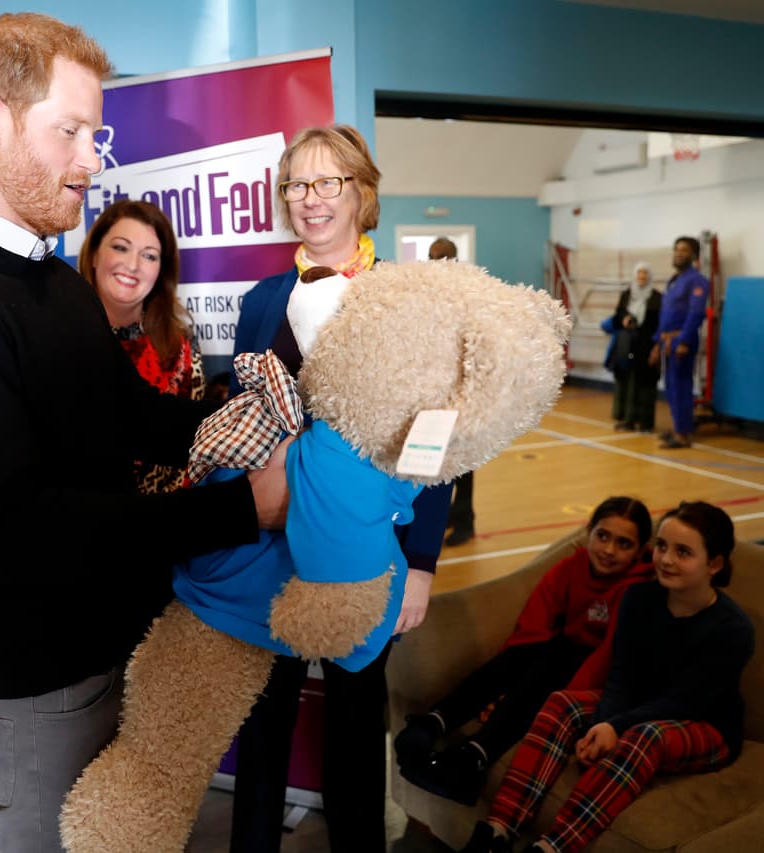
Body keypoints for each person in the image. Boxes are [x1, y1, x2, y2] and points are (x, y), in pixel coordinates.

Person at [0, 14, 288, 853]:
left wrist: (260, 418)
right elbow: (17, 529)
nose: (93, 160)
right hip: (40, 685)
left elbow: (131, 418)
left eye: (93, 135)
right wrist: (243, 509)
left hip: (121, 644)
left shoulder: (55, 282)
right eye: (70, 132)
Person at [227, 124, 452, 853]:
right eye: (297, 184)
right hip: (270, 547)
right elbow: (242, 423)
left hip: (367, 550)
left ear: (363, 193)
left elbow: (439, 438)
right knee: (264, 714)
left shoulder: (405, 299)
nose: (311, 198)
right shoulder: (262, 302)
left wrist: (421, 561)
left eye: (329, 181)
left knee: (355, 720)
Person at [460, 501, 754, 853]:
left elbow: (685, 700)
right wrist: (602, 723)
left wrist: (617, 726)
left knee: (645, 736)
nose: (666, 559)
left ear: (715, 564)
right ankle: (497, 830)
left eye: (683, 552)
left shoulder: (732, 629)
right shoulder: (638, 599)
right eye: (662, 546)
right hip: (641, 705)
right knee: (562, 703)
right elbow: (622, 675)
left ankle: (553, 847)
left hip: (706, 723)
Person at [395, 497, 654, 805]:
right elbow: (533, 627)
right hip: (562, 658)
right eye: (603, 536)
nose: (609, 550)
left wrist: (558, 703)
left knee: (555, 658)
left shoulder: (637, 592)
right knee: (530, 653)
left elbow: (607, 657)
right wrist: (503, 687)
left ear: (640, 551)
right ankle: (434, 721)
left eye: (623, 544)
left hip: (598, 682)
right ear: (589, 532)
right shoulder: (572, 567)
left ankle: (474, 758)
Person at [80, 199, 204, 494]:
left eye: (149, 256)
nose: (133, 265)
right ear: (94, 254)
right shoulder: (60, 336)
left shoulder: (180, 348)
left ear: (161, 269)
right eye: (120, 247)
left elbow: (193, 456)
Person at [429, 237, 476, 546]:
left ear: (453, 259)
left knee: (463, 461)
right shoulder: (430, 293)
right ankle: (448, 513)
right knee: (438, 458)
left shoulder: (467, 293)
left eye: (441, 257)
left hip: (461, 389)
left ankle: (466, 520)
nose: (435, 262)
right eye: (432, 256)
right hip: (435, 387)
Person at [650, 236, 709, 449]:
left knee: (682, 387)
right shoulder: (674, 281)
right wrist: (657, 342)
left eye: (684, 250)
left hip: (682, 341)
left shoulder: (697, 281)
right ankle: (678, 428)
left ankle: (683, 434)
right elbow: (666, 315)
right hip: (666, 342)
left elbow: (695, 314)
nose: (679, 253)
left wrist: (684, 341)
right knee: (671, 387)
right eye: (676, 249)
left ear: (694, 255)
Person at [603, 262, 662, 432]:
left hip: (647, 347)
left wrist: (657, 347)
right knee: (626, 383)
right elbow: (616, 318)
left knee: (645, 385)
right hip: (628, 346)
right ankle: (627, 419)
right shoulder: (627, 294)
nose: (642, 276)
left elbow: (660, 324)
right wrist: (624, 319)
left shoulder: (657, 297)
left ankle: (645, 422)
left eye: (645, 273)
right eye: (639, 273)